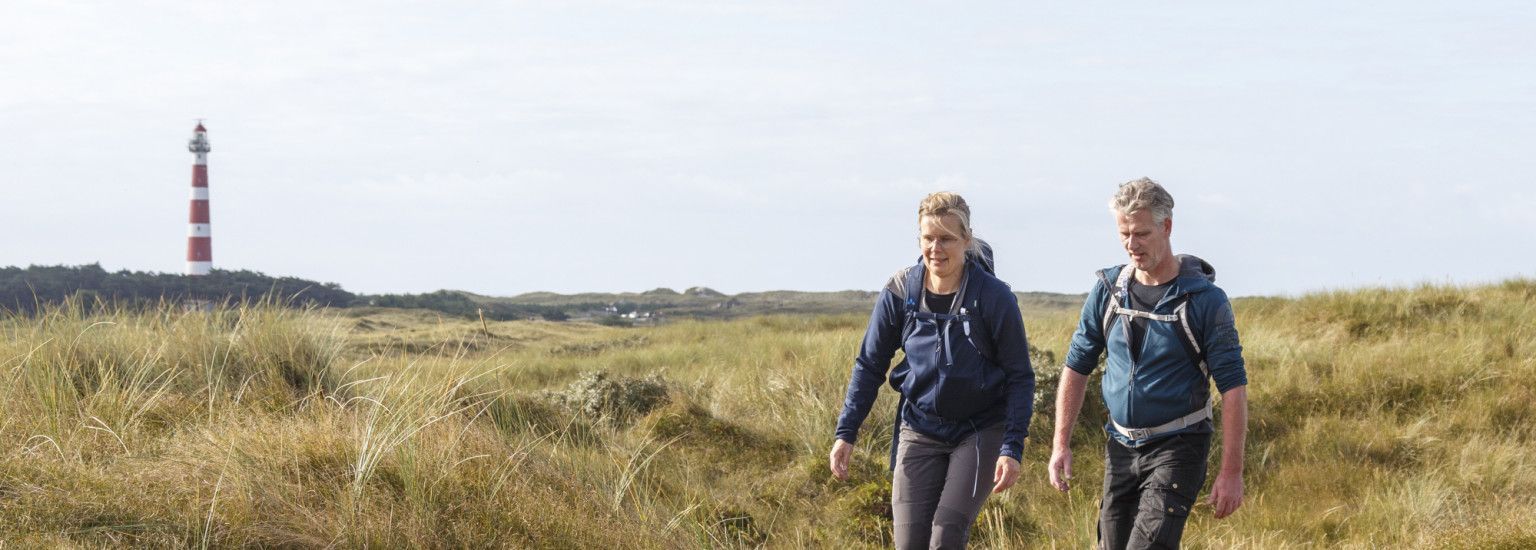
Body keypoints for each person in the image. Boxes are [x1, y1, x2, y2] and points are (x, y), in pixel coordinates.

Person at [1047, 178, 1248, 549]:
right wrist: (1061, 444)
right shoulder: (1108, 291)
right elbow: (1076, 366)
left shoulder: (1206, 301)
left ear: (1166, 226)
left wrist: (1231, 472)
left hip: (1179, 447)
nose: (1131, 244)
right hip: (1120, 447)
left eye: (1141, 233)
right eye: (1124, 233)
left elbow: (1233, 387)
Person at [830, 191, 1036, 549]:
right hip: (920, 428)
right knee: (909, 542)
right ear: (919, 239)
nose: (936, 248)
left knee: (945, 535)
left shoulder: (993, 297)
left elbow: (1020, 376)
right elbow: (869, 365)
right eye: (928, 238)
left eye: (947, 239)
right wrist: (846, 432)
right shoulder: (900, 291)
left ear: (966, 241)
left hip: (979, 430)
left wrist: (1011, 447)